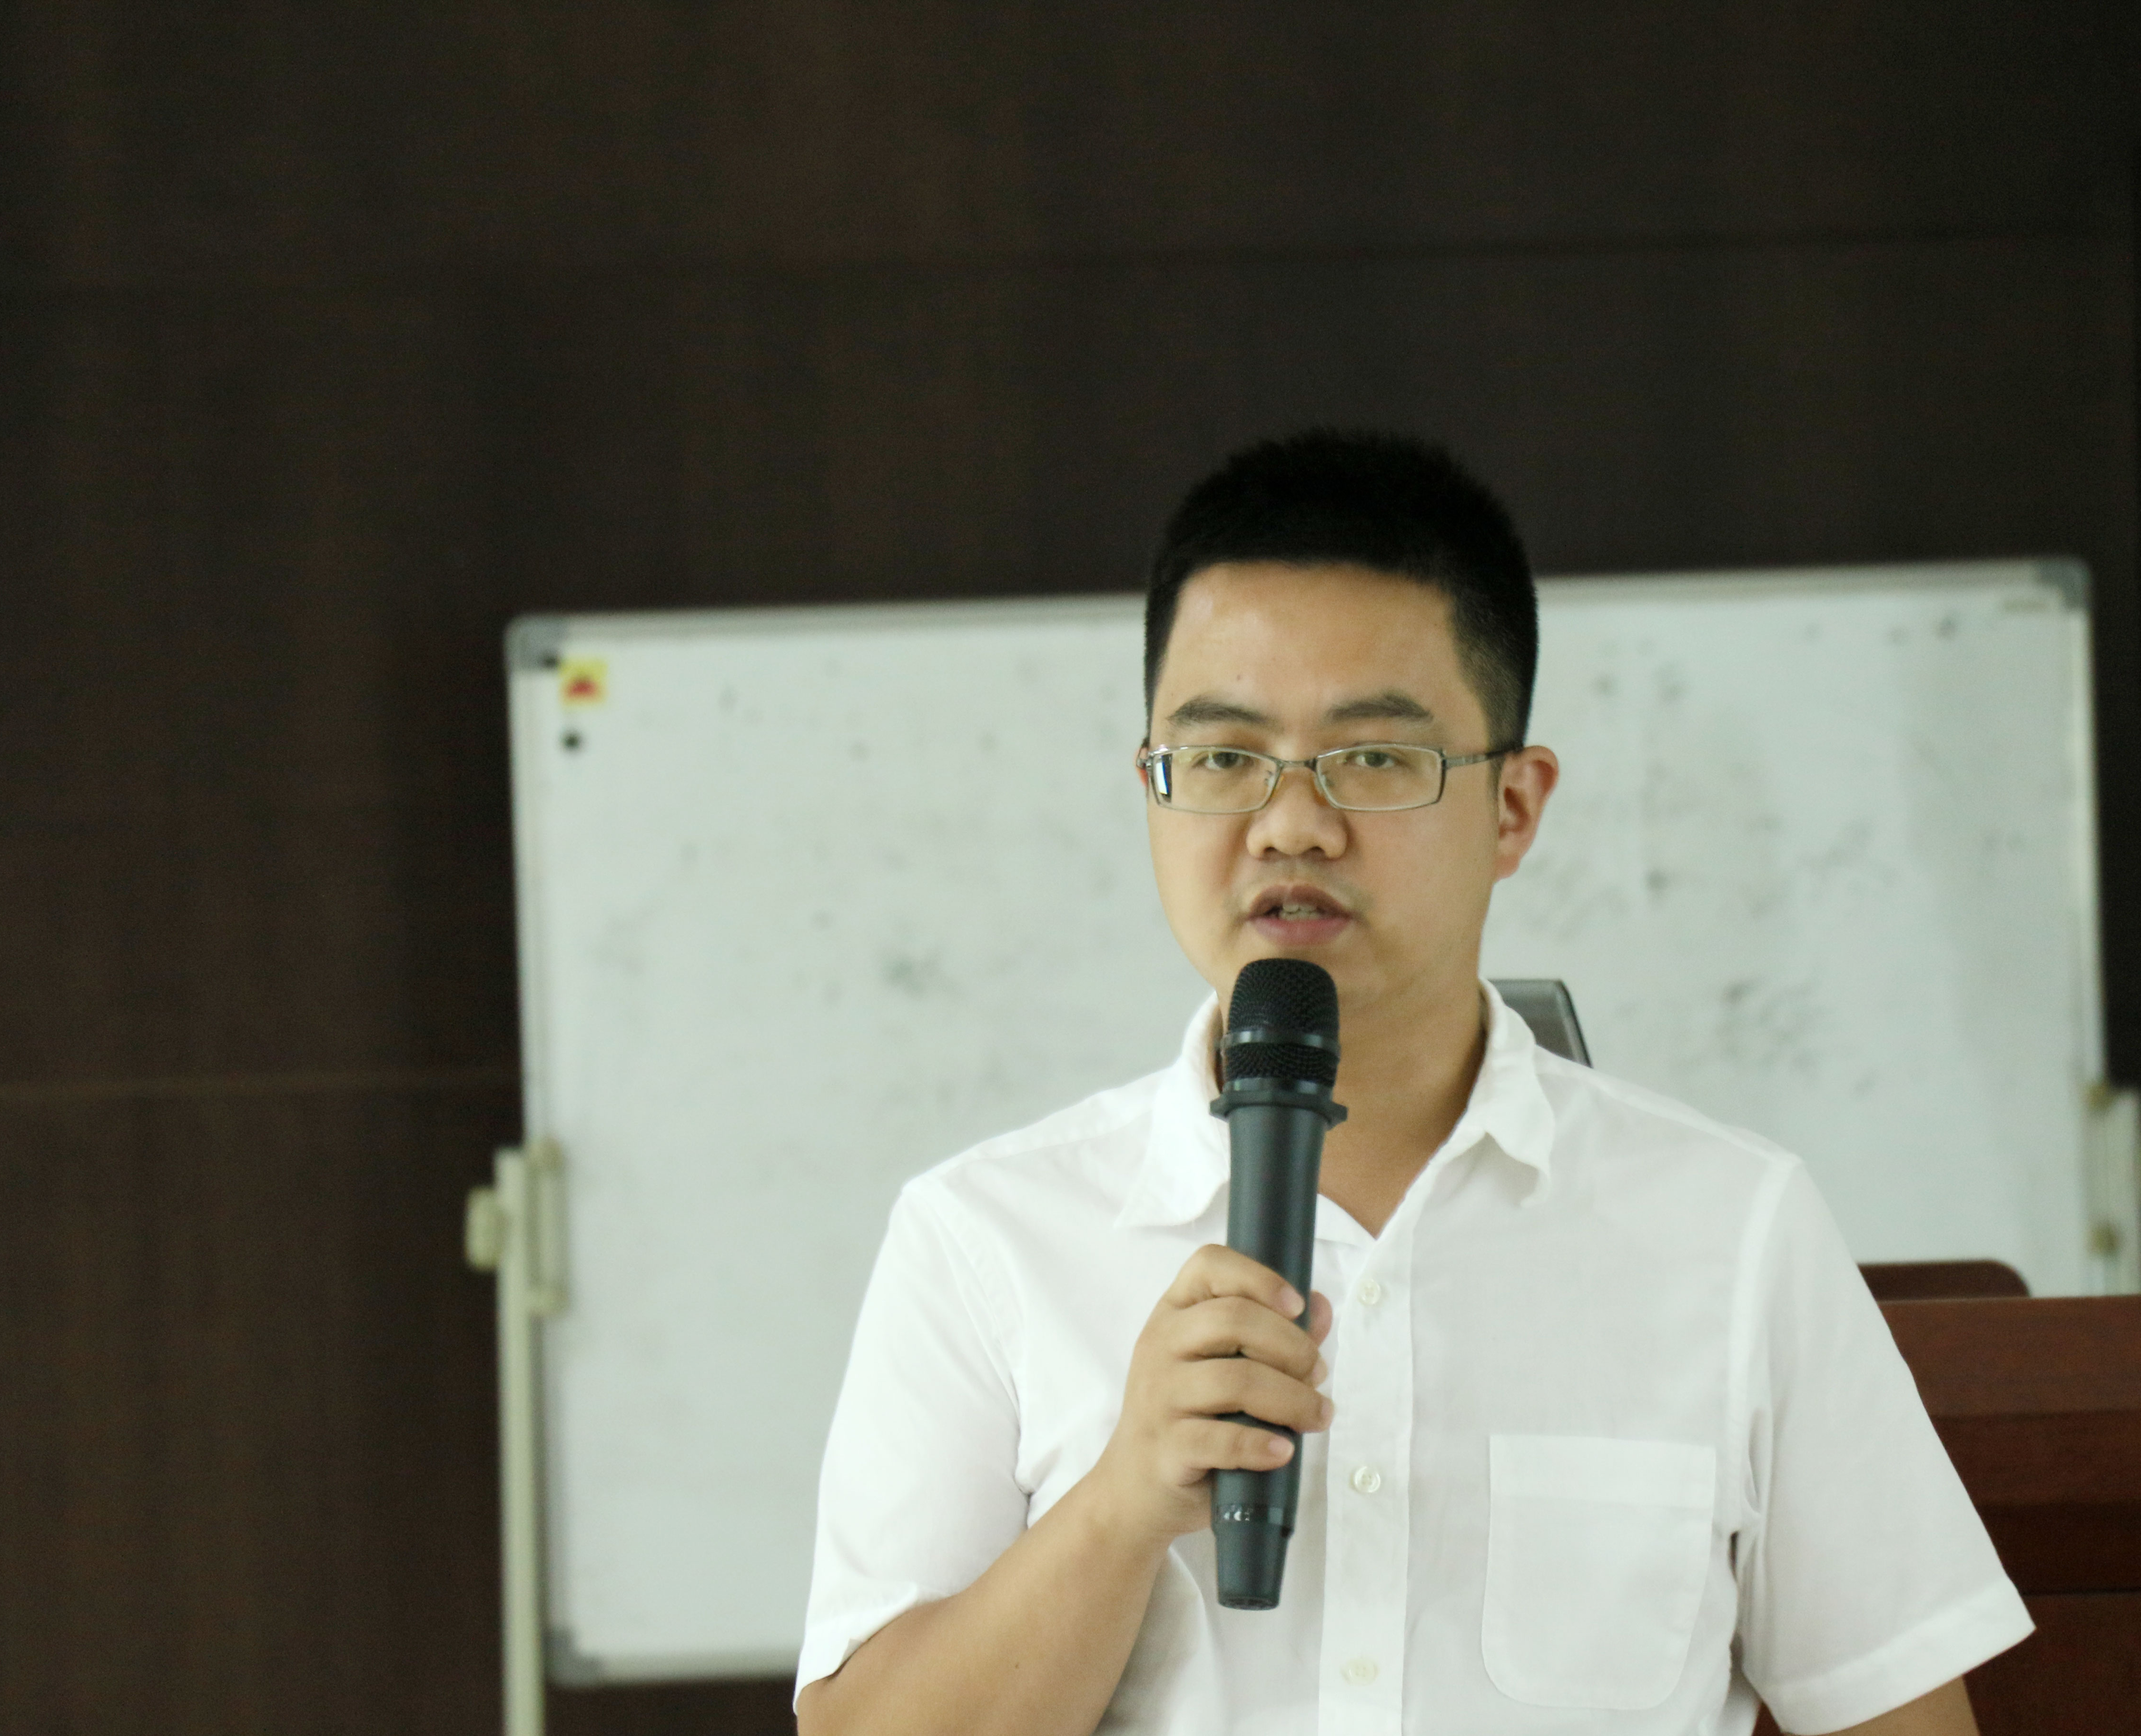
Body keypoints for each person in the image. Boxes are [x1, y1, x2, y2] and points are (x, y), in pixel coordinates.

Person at [793, 431, 2032, 1736]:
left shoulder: (1732, 1229)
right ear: (1151, 787)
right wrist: (1118, 1504)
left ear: (1514, 809)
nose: (1291, 824)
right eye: (1222, 759)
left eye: (1375, 759)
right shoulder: (985, 1239)